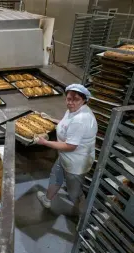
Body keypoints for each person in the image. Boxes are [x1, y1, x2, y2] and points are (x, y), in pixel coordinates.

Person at [36, 83, 98, 216]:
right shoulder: (73, 110)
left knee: (75, 192)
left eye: (76, 100)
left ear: (84, 100)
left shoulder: (81, 120)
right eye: (69, 99)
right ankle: (47, 199)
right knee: (56, 176)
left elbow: (70, 146)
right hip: (65, 157)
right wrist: (50, 119)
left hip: (76, 163)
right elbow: (66, 124)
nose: (71, 103)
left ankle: (83, 216)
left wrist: (45, 142)